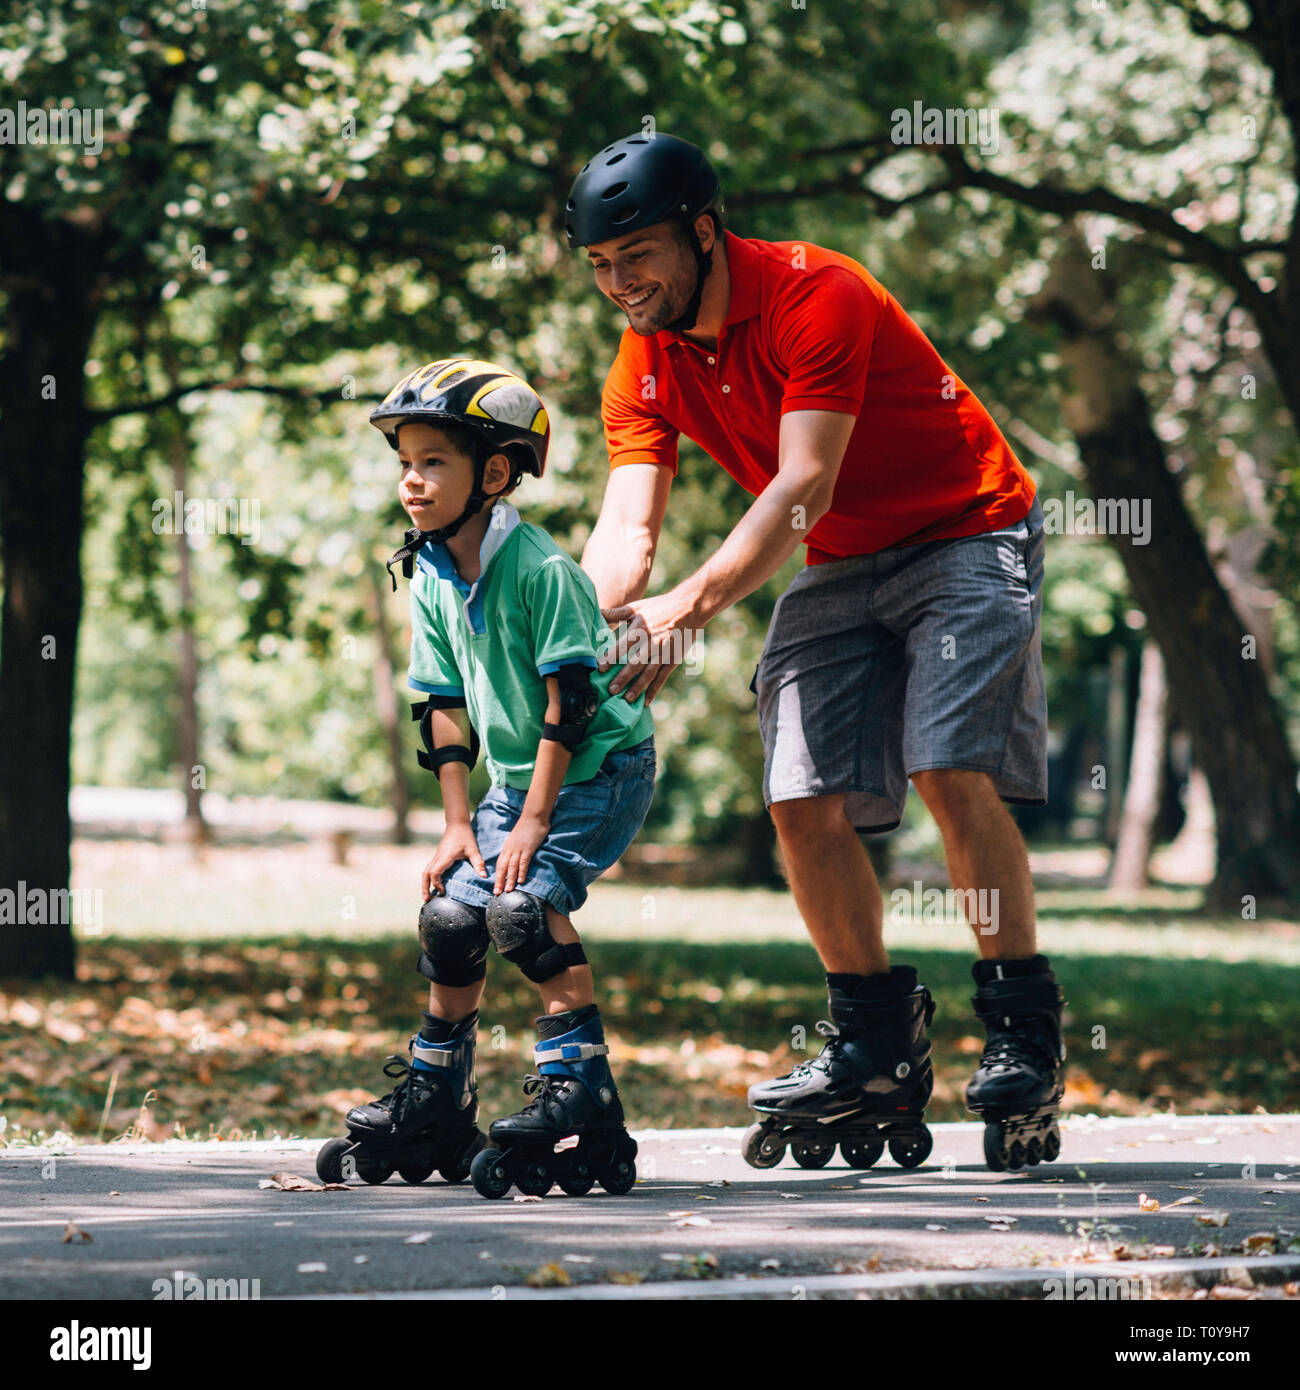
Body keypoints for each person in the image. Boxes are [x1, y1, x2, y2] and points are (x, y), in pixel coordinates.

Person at [566, 133, 1064, 1172]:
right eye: (602, 265)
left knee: (945, 763)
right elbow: (628, 530)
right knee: (798, 795)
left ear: (704, 232)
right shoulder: (642, 359)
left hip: (964, 527)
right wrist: (568, 633)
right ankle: (875, 1044)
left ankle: (1021, 1027)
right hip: (843, 557)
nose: (621, 284)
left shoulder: (815, 292)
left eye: (640, 255)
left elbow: (801, 486)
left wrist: (688, 609)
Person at [316, 358, 655, 1199]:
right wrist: (457, 822)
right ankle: (437, 1096)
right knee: (452, 919)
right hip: (516, 779)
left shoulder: (541, 571)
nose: (413, 481)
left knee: (521, 910)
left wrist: (533, 822)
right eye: (406, 462)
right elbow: (439, 702)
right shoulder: (431, 571)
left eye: (435, 462)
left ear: (494, 473)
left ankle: (584, 1091)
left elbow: (570, 705)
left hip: (599, 769)